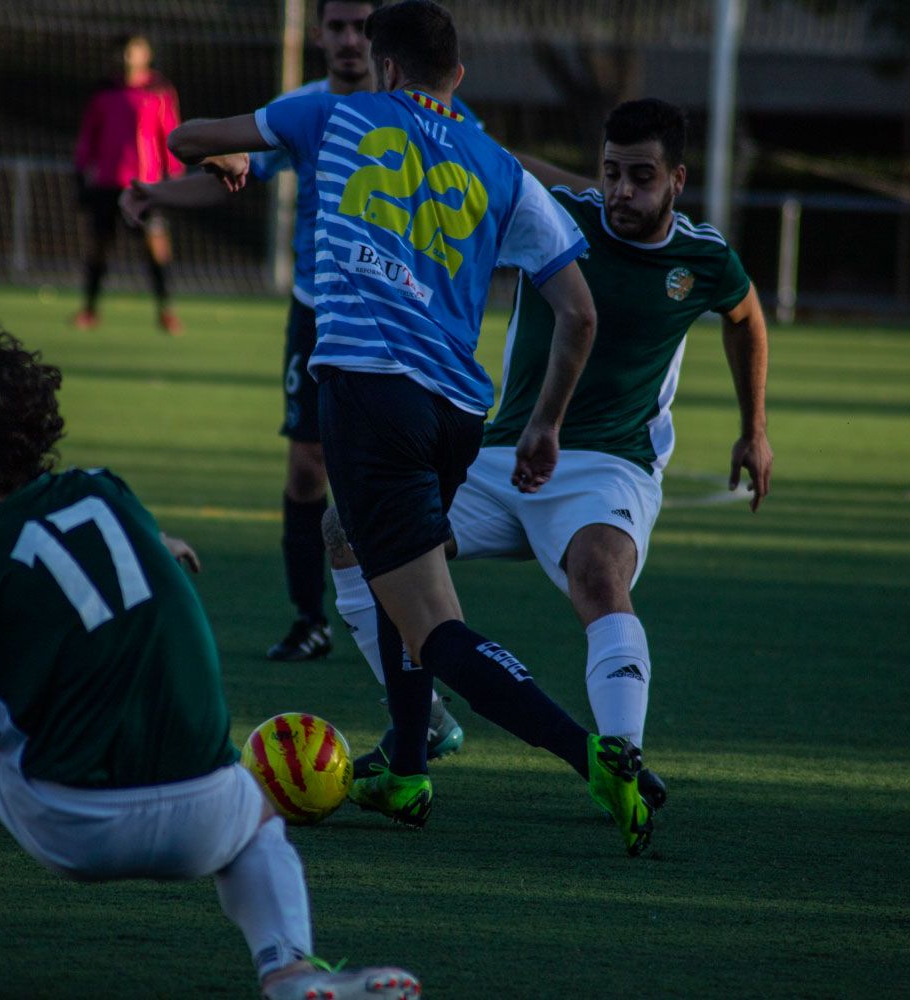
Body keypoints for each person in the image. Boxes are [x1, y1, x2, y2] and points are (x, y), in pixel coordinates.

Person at [0, 327, 419, 1000]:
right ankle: (289, 969)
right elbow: (103, 548)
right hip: (207, 815)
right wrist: (157, 541)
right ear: (44, 423)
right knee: (259, 818)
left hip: (77, 828)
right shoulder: (109, 493)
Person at [166, 0, 651, 855]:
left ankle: (597, 759)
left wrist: (231, 151)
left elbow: (185, 140)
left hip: (368, 394)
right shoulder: (502, 167)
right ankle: (406, 769)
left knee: (434, 621)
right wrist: (543, 426)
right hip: (461, 413)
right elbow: (578, 314)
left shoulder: (333, 112)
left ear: (385, 68)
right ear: (457, 77)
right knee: (354, 539)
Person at [328, 99, 775, 809]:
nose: (622, 192)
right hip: (501, 453)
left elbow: (746, 315)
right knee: (355, 534)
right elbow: (491, 165)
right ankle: (418, 727)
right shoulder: (554, 217)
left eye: (641, 176)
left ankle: (621, 759)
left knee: (599, 577)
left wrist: (754, 427)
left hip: (609, 466)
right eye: (611, 173)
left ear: (677, 180)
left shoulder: (704, 257)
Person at [123, 2, 476, 776]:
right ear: (321, 36)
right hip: (320, 318)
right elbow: (231, 177)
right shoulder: (305, 111)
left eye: (361, 26)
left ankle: (418, 679)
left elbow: (491, 174)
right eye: (338, 26)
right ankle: (313, 619)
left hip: (402, 333)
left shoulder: (425, 112)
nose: (350, 39)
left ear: (381, 47)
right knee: (309, 474)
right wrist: (158, 194)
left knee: (384, 515)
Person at [74, 35, 184, 335]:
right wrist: (82, 170)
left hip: (145, 186)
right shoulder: (103, 91)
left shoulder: (159, 89)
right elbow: (89, 136)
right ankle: (89, 310)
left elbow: (170, 132)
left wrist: (174, 172)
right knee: (98, 247)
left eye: (133, 50)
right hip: (107, 183)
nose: (127, 56)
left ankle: (166, 311)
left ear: (145, 54)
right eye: (123, 51)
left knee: (156, 247)